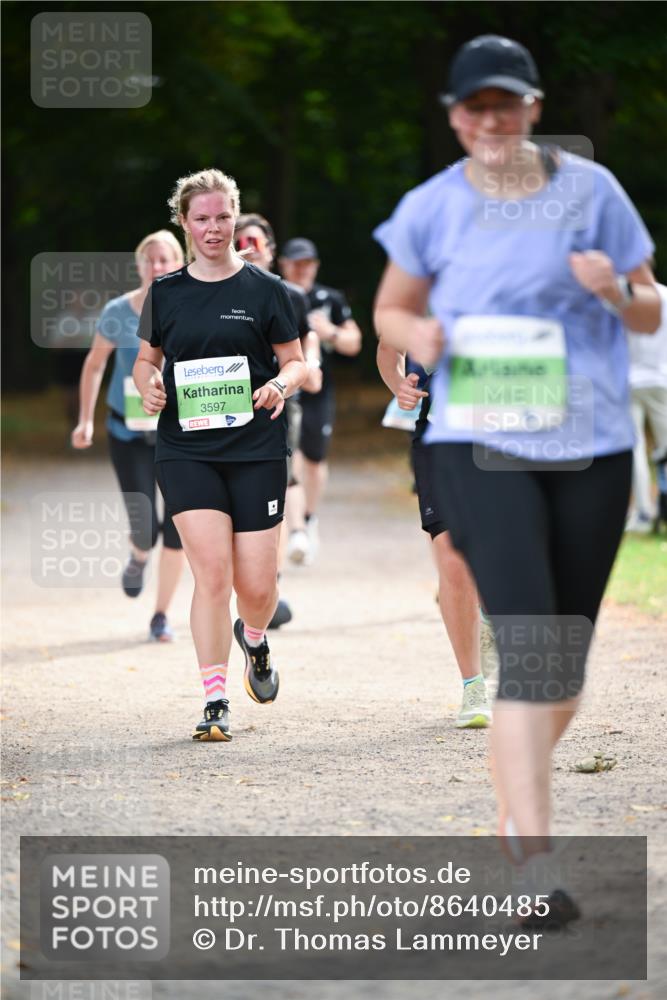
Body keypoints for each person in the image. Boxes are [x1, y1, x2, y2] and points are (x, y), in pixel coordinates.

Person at [373, 34, 660, 923]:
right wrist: (414, 338)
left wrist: (615, 289)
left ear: (533, 107)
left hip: (591, 444)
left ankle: (512, 798)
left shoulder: (593, 191)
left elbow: (651, 304)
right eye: (474, 107)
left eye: (507, 103)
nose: (490, 119)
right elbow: (391, 304)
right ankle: (534, 864)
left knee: (562, 665)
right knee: (529, 646)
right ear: (455, 117)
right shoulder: (430, 206)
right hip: (474, 441)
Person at [133, 169, 307, 742]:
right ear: (183, 223)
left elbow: (296, 360)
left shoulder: (266, 289)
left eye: (222, 216)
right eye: (201, 218)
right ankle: (214, 700)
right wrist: (148, 383)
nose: (213, 228)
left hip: (255, 448)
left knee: (256, 587)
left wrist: (280, 386)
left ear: (236, 217)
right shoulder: (167, 293)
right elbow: (146, 360)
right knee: (212, 573)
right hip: (186, 448)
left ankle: (253, 638)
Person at [71, 231, 186, 641]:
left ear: (179, 261)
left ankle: (160, 615)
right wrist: (85, 419)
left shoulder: (191, 306)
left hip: (179, 431)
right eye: (150, 260)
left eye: (165, 259)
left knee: (178, 527)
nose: (157, 267)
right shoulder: (118, 311)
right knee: (146, 528)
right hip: (127, 430)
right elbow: (94, 365)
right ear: (139, 265)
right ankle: (139, 554)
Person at [377, 342, 497, 727]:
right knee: (454, 562)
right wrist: (399, 385)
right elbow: (388, 349)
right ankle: (473, 686)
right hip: (439, 440)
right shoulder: (418, 288)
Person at [233, 213, 322, 626]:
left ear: (270, 247)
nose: (249, 248)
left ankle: (273, 585)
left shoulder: (291, 295)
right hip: (226, 409)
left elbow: (305, 343)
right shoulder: (212, 292)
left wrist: (305, 371)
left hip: (279, 403)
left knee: (279, 487)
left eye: (256, 241)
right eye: (241, 241)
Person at [278, 238, 362, 564]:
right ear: (283, 263)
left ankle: (309, 518)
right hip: (286, 389)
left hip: (318, 390)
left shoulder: (329, 299)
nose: (303, 268)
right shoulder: (275, 292)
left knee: (314, 460)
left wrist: (330, 332)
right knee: (291, 457)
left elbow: (354, 342)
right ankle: (295, 528)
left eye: (308, 263)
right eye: (296, 262)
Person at [625, 282, 667, 532]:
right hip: (662, 379)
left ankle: (643, 512)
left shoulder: (622, 296)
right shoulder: (664, 295)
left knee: (635, 449)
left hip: (630, 380)